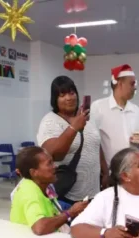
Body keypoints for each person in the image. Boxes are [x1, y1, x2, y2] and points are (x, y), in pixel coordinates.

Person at [37, 76, 101, 204]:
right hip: (67, 193)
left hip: (94, 191)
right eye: (62, 95)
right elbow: (54, 155)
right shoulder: (50, 121)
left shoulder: (88, 117)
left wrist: (104, 172)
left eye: (71, 93)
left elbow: (96, 144)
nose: (69, 98)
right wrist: (73, 127)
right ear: (55, 99)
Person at [10, 146, 88, 235]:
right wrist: (70, 213)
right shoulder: (29, 191)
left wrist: (71, 212)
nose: (55, 166)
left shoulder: (45, 186)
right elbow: (40, 228)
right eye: (49, 163)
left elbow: (51, 214)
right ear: (33, 172)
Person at [90, 64, 139, 172]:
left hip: (133, 170)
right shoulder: (98, 107)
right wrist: (104, 172)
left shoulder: (135, 110)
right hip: (110, 171)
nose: (135, 87)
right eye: (132, 84)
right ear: (120, 83)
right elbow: (94, 143)